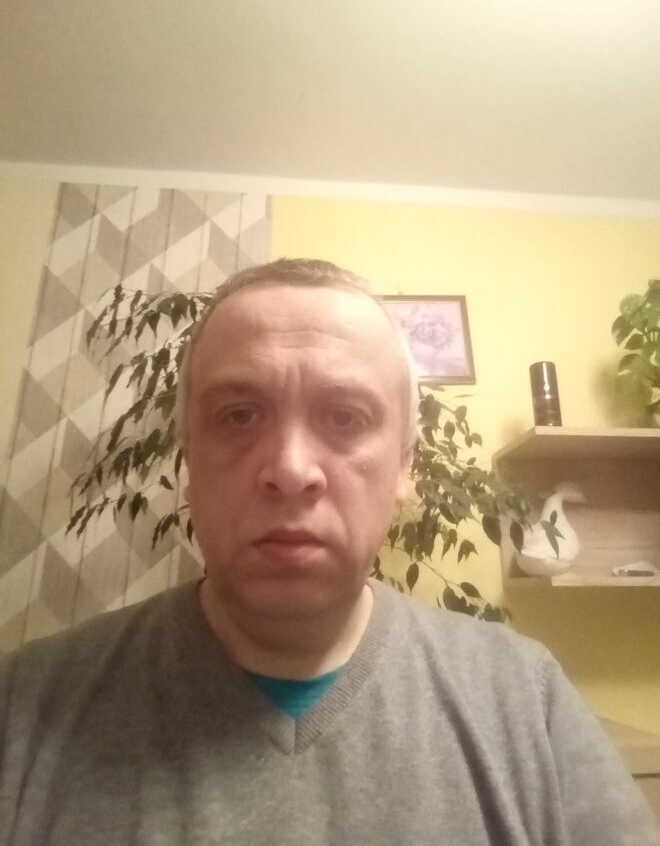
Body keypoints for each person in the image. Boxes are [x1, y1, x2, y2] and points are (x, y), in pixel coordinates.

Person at [0, 258, 657, 846]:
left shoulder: (524, 699)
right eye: (238, 415)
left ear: (405, 467)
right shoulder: (24, 707)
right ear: (187, 458)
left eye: (345, 417)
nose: (290, 469)